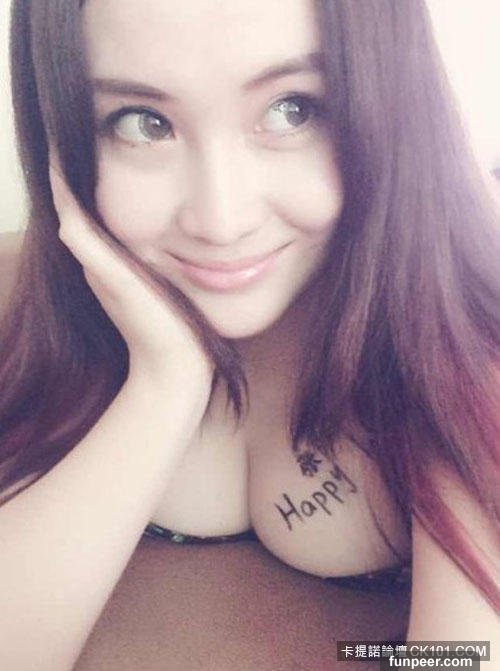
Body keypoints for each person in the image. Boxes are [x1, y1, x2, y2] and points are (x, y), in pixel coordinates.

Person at [0, 0, 499, 669]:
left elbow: (461, 656)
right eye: (144, 123)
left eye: (293, 109)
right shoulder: (60, 325)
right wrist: (165, 381)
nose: (221, 220)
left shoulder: (463, 353)